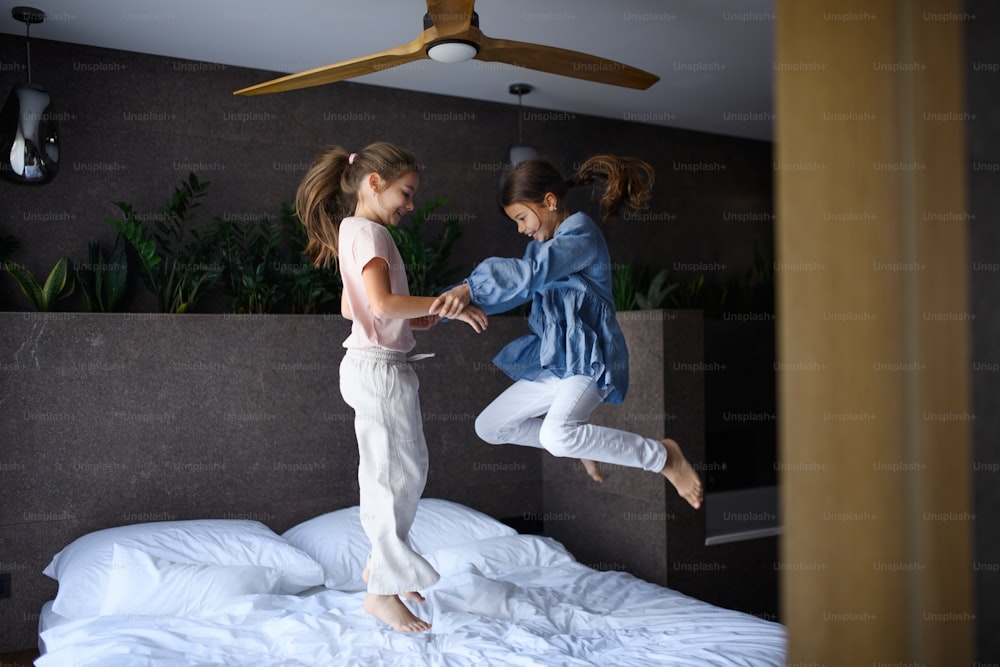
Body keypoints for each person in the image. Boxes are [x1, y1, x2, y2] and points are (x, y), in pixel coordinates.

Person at [429, 155, 703, 510]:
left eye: (522, 217)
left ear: (550, 202)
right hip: (556, 361)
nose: (521, 228)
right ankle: (581, 442)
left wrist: (471, 288)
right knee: (490, 426)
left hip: (588, 360)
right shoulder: (539, 248)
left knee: (557, 435)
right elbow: (519, 289)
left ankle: (664, 457)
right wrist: (445, 309)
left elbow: (531, 273)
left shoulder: (580, 233)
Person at [296, 142, 488, 633]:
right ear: (374, 183)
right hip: (378, 369)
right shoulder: (371, 235)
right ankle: (381, 591)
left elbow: (353, 308)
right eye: (406, 192)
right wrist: (447, 303)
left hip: (374, 364)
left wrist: (422, 316)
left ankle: (385, 565)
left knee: (401, 472)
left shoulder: (354, 232)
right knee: (393, 478)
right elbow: (380, 306)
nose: (411, 204)